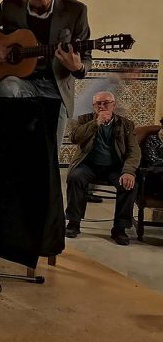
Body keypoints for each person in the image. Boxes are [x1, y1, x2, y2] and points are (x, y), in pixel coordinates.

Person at [0, 0, 91, 149]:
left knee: (50, 154)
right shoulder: (10, 6)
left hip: (56, 87)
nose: (44, 1)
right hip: (21, 82)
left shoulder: (76, 10)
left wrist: (78, 67)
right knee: (7, 89)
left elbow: (86, 57)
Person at [65, 91, 140, 245]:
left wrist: (128, 172)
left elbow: (134, 151)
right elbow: (74, 138)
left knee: (129, 185)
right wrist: (95, 123)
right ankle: (74, 223)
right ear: (94, 107)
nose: (102, 106)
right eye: (98, 104)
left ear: (114, 105)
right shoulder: (84, 120)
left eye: (106, 102)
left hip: (114, 167)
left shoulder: (126, 124)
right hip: (89, 165)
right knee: (75, 177)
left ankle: (120, 228)